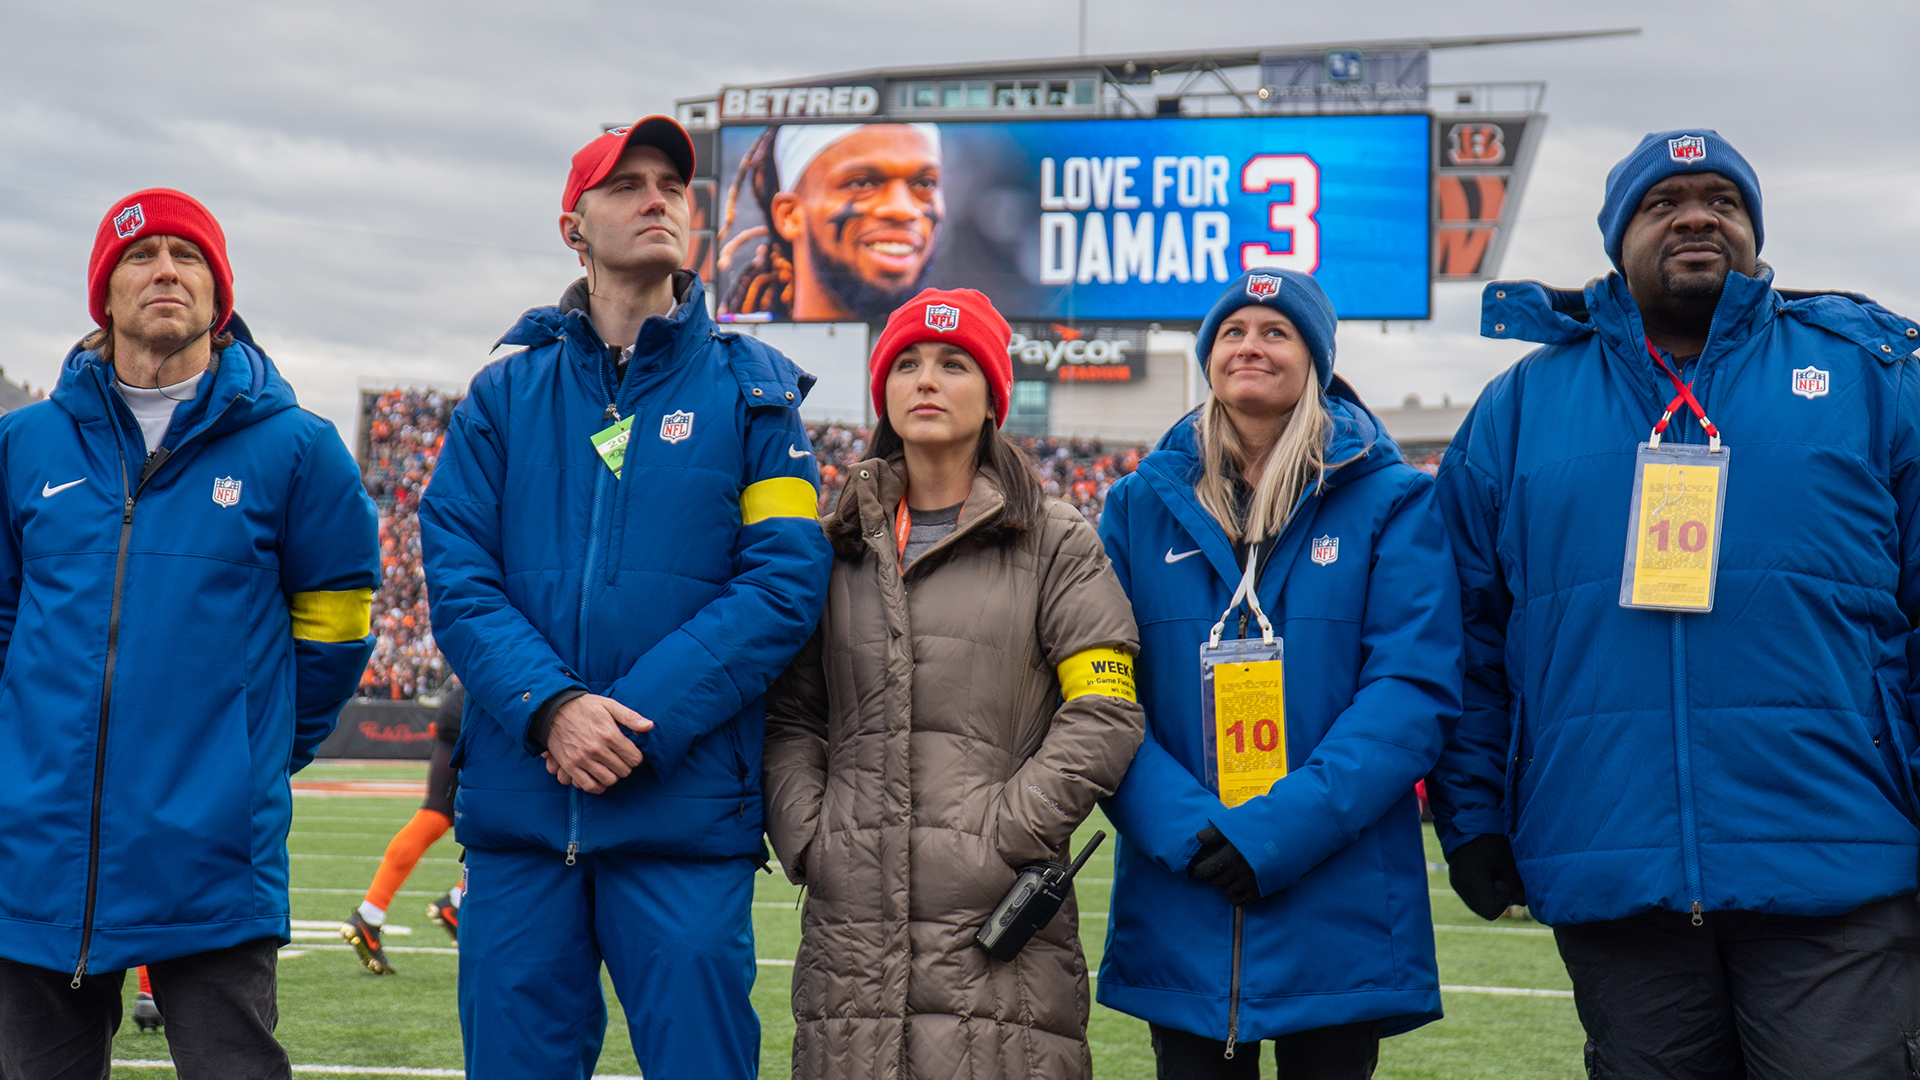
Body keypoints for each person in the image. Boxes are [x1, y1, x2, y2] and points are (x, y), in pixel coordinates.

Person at [1432, 129, 1920, 1077]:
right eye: (1664, 202)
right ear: (1617, 238)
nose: (1696, 216)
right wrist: (1474, 814)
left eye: (1721, 202)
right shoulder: (1519, 406)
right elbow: (1466, 636)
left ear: (1753, 233)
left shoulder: (1869, 378)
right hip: (1615, 867)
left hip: (1834, 863)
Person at [420, 117, 833, 1080]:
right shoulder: (501, 395)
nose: (659, 199)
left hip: (679, 822)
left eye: (672, 186)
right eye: (628, 184)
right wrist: (553, 709)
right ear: (575, 227)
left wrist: (632, 724)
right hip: (525, 827)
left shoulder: (757, 392)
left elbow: (784, 581)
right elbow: (457, 573)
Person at [0, 189, 379, 1079]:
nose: (165, 270)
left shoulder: (298, 448)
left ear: (220, 293)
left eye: (189, 255)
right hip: (40, 848)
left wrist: (255, 754)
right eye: (141, 255)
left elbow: (336, 630)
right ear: (105, 293)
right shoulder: (22, 447)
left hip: (210, 851)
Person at [763, 287, 1144, 1079]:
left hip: (996, 928)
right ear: (883, 392)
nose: (926, 380)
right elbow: (791, 716)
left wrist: (1004, 835)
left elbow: (1104, 708)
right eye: (906, 364)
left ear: (994, 394)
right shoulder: (831, 546)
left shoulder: (1057, 541)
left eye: (952, 363)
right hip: (850, 930)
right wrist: (812, 834)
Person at [1097, 269, 1459, 1078]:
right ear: (1208, 356)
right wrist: (1186, 828)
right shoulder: (1133, 507)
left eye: (1275, 331)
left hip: (1338, 889)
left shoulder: (1395, 502)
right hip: (1183, 880)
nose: (1250, 346)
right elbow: (1101, 691)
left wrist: (1278, 829)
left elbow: (1410, 692)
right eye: (1232, 331)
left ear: (1316, 360)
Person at [720, 123, 943, 320]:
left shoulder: (965, 355)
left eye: (925, 184)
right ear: (789, 215)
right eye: (862, 183)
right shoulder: (738, 355)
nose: (903, 210)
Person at [340, 683, 466, 973]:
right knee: (510, 815)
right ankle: (459, 899)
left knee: (435, 813)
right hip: (494, 703)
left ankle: (369, 914)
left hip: (461, 701)